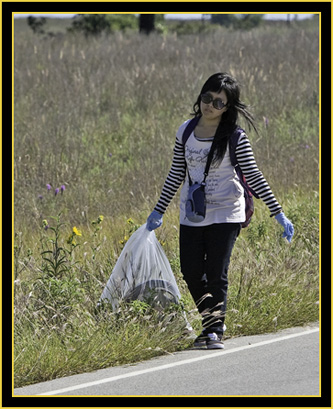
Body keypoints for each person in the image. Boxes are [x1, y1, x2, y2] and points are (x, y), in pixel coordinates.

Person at [146, 73, 294, 349]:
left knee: (216, 272)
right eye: (206, 98)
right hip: (193, 212)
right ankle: (211, 323)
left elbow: (254, 175)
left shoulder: (235, 137)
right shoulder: (186, 131)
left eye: (218, 102)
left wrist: (278, 213)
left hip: (227, 212)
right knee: (190, 271)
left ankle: (214, 329)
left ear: (228, 108)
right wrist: (158, 210)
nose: (210, 105)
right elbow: (177, 172)